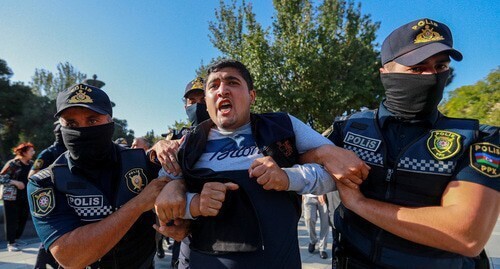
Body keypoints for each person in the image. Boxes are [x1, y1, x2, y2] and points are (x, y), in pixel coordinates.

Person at [302, 18, 500, 268]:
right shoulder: (349, 127)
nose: (431, 76)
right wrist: (323, 153)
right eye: (417, 68)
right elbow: (296, 156)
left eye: (440, 67)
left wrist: (360, 204)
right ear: (385, 73)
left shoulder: (478, 138)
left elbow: (466, 235)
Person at [154, 59, 370, 269]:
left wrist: (288, 178)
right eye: (214, 86)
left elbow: (336, 175)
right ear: (208, 101)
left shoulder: (283, 126)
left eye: (232, 82)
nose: (222, 91)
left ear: (252, 96)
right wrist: (194, 203)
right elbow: (160, 199)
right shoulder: (188, 143)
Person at [27, 83, 167, 268]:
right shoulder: (46, 182)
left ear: (110, 123)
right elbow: (70, 257)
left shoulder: (142, 163)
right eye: (71, 124)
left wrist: (168, 150)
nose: (82, 130)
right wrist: (139, 204)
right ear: (61, 127)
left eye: (92, 121)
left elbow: (177, 180)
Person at [28, 123, 66, 269]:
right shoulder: (48, 153)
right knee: (51, 237)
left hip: (72, 200)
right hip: (54, 202)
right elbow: (32, 175)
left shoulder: (75, 150)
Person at [0, 142, 35, 252]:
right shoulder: (13, 164)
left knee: (23, 218)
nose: (33, 152)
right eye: (31, 151)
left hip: (25, 196)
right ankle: (11, 243)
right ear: (24, 152)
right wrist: (15, 182)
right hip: (11, 196)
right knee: (11, 219)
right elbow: (1, 178)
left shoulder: (32, 164)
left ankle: (16, 238)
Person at [303, 194, 329, 259]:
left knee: (325, 222)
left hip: (324, 196)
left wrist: (322, 192)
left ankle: (322, 248)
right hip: (308, 195)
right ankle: (313, 240)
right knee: (309, 219)